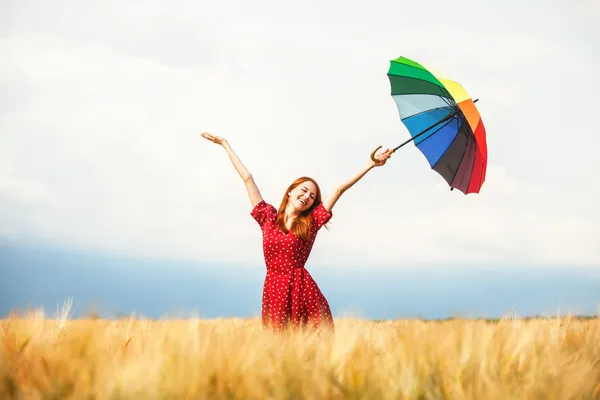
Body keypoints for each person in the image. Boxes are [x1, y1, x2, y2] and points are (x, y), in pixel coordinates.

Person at [200, 132, 392, 333]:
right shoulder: (268, 217)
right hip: (274, 288)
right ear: (290, 191)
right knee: (278, 344)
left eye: (312, 196)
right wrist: (225, 144)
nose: (307, 196)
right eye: (304, 190)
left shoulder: (312, 221)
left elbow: (337, 190)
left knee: (311, 345)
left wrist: (371, 164)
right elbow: (248, 178)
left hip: (301, 289)